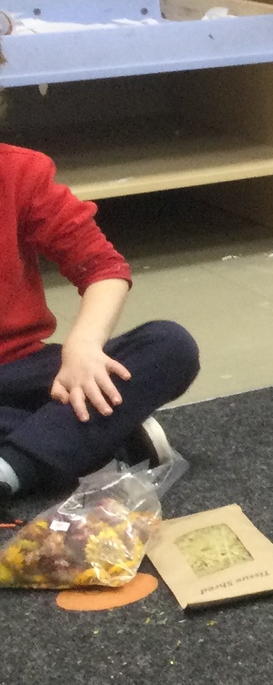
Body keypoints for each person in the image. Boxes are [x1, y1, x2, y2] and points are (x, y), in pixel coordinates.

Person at [0, 141, 198, 504]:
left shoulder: (19, 171)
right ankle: (92, 440)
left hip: (25, 367)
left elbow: (102, 268)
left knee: (169, 345)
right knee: (87, 409)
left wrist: (84, 347)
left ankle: (15, 464)